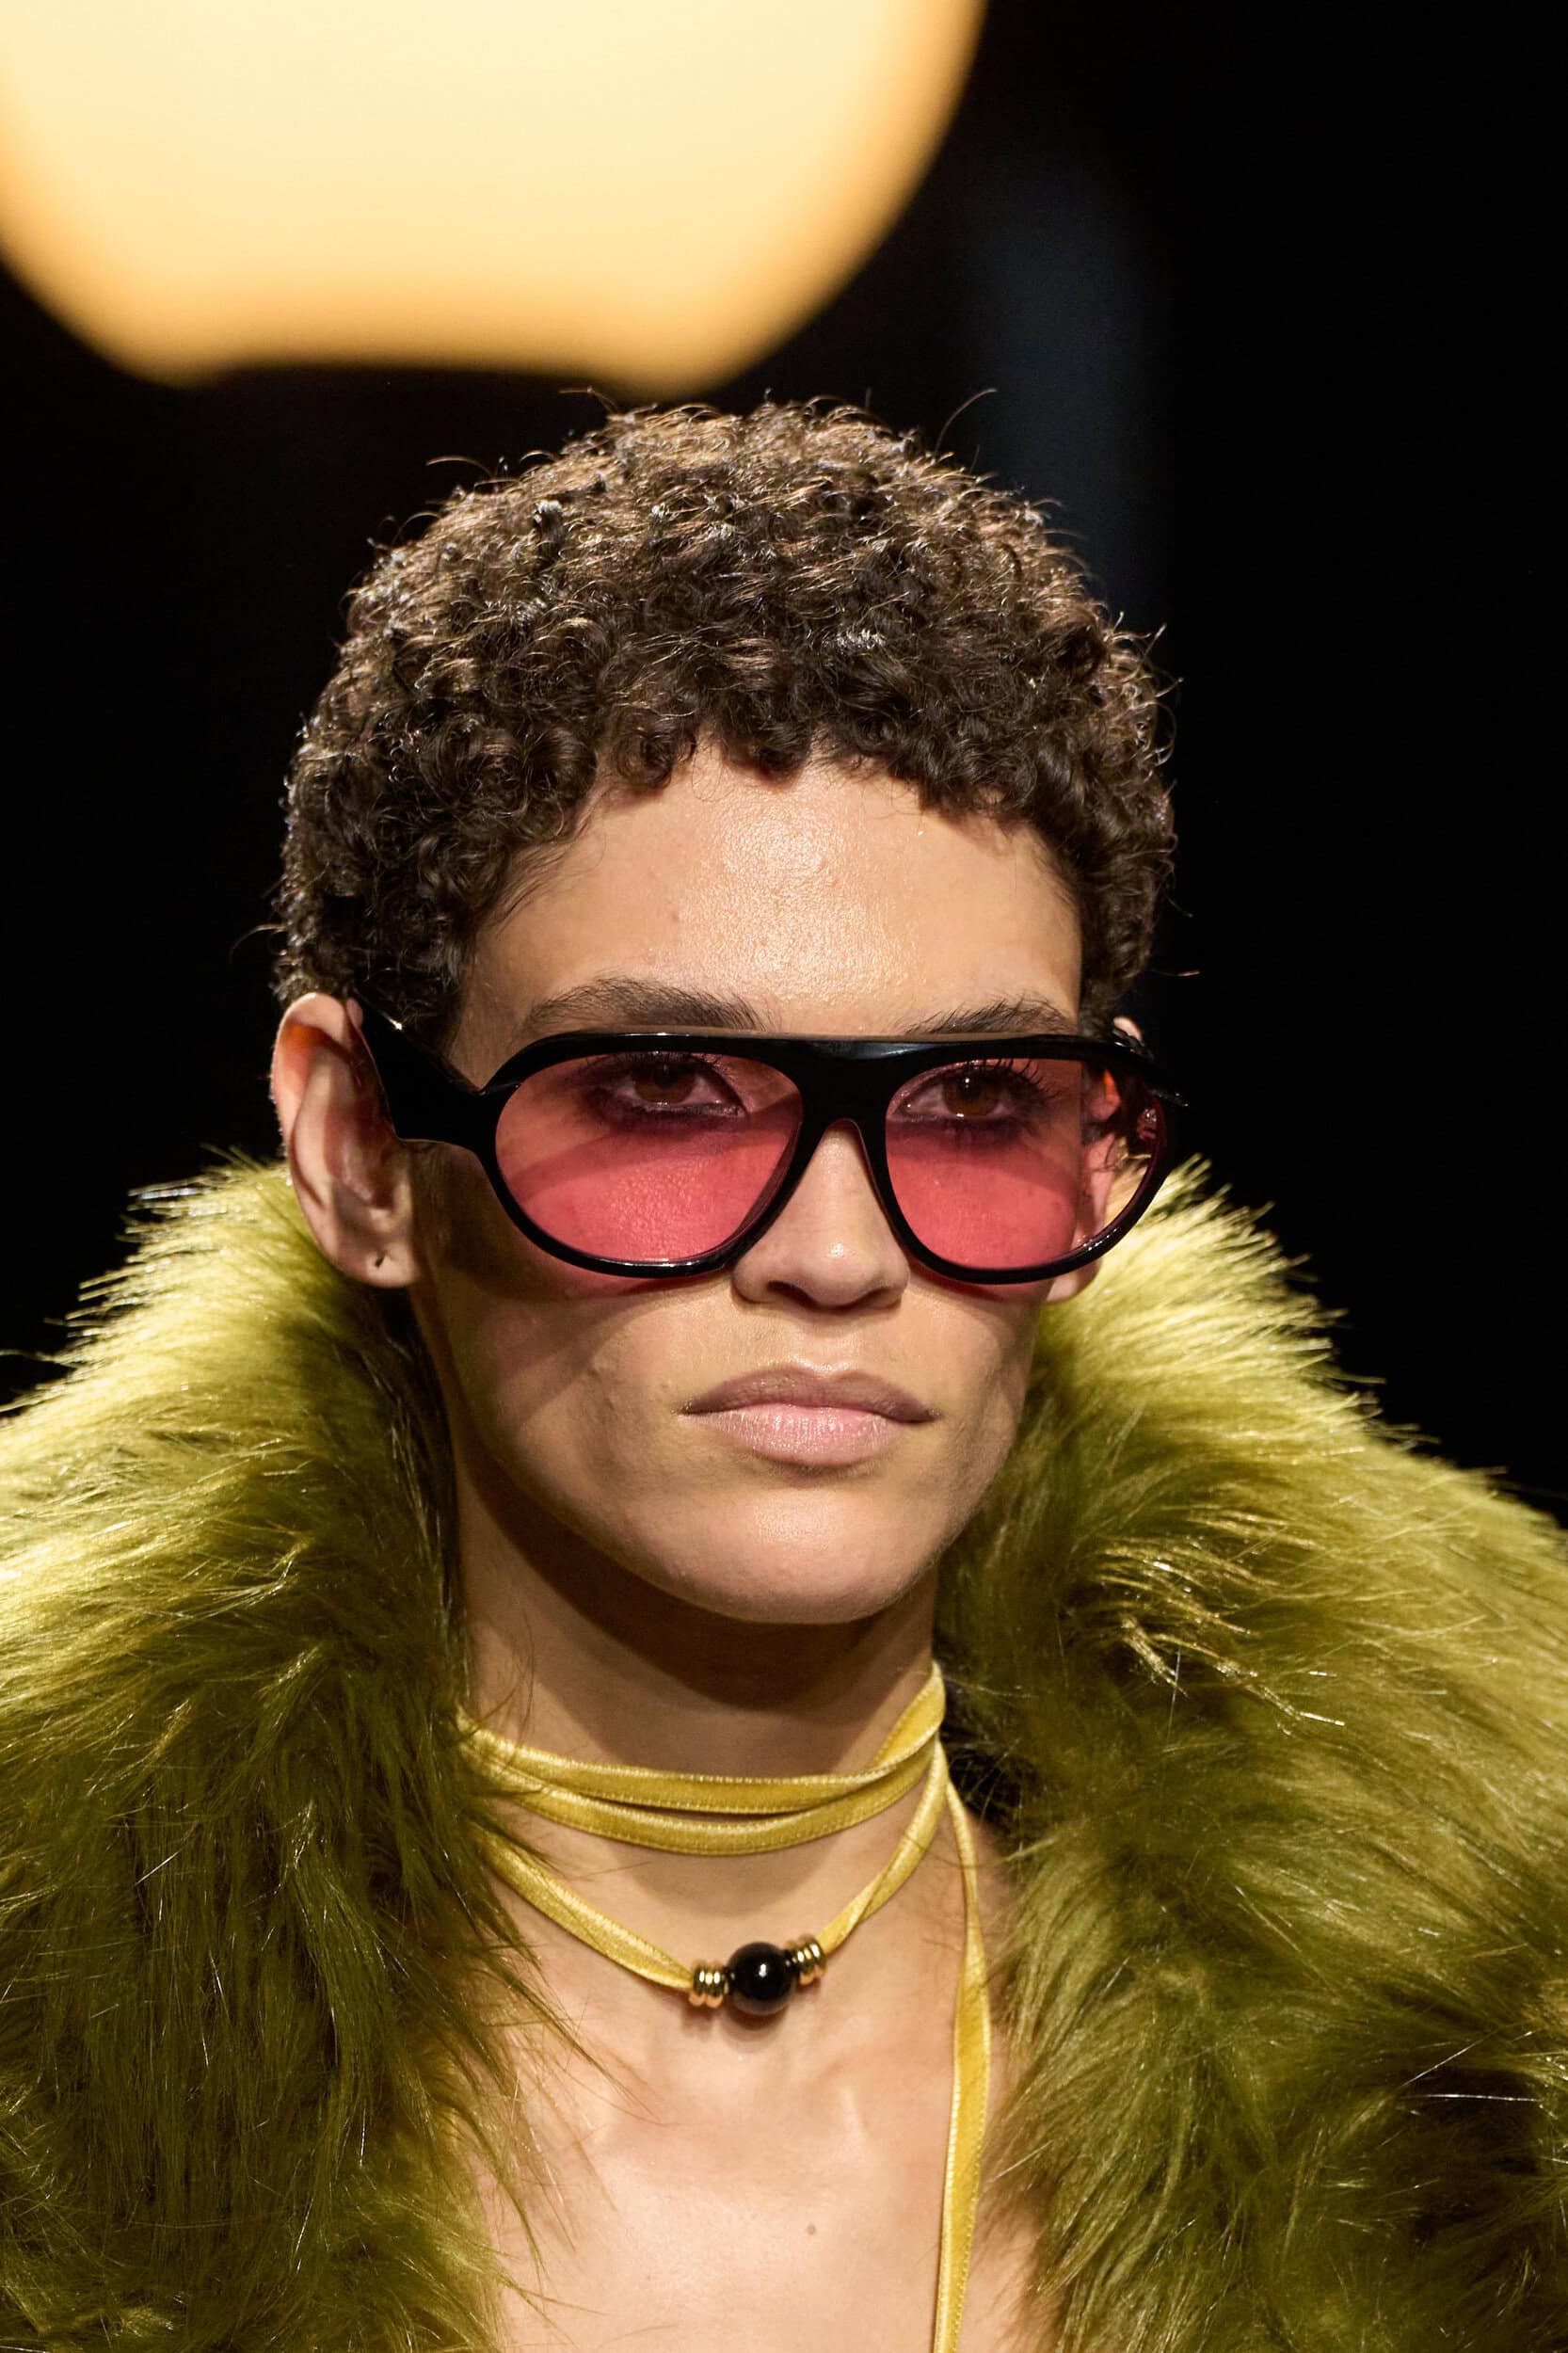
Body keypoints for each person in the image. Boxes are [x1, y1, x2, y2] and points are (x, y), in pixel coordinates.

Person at [2, 404, 1563, 2353]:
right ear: (357, 1150)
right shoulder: (44, 2063)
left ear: (1095, 1164)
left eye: (976, 1101)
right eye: (661, 1090)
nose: (835, 1253)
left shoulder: (1486, 2048)